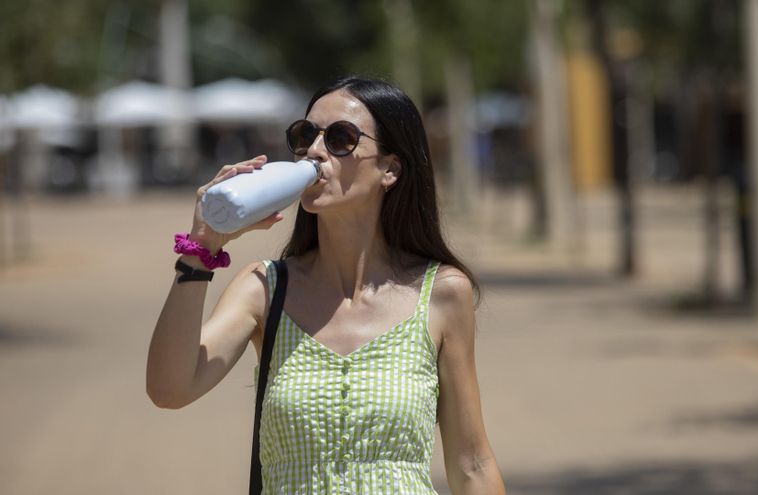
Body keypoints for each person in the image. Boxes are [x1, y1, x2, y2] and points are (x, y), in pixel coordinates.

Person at [146, 76, 505, 494]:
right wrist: (200, 250)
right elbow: (169, 389)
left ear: (390, 168)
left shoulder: (441, 292)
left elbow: (473, 463)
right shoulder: (265, 289)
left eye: (340, 138)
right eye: (305, 135)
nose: (314, 151)